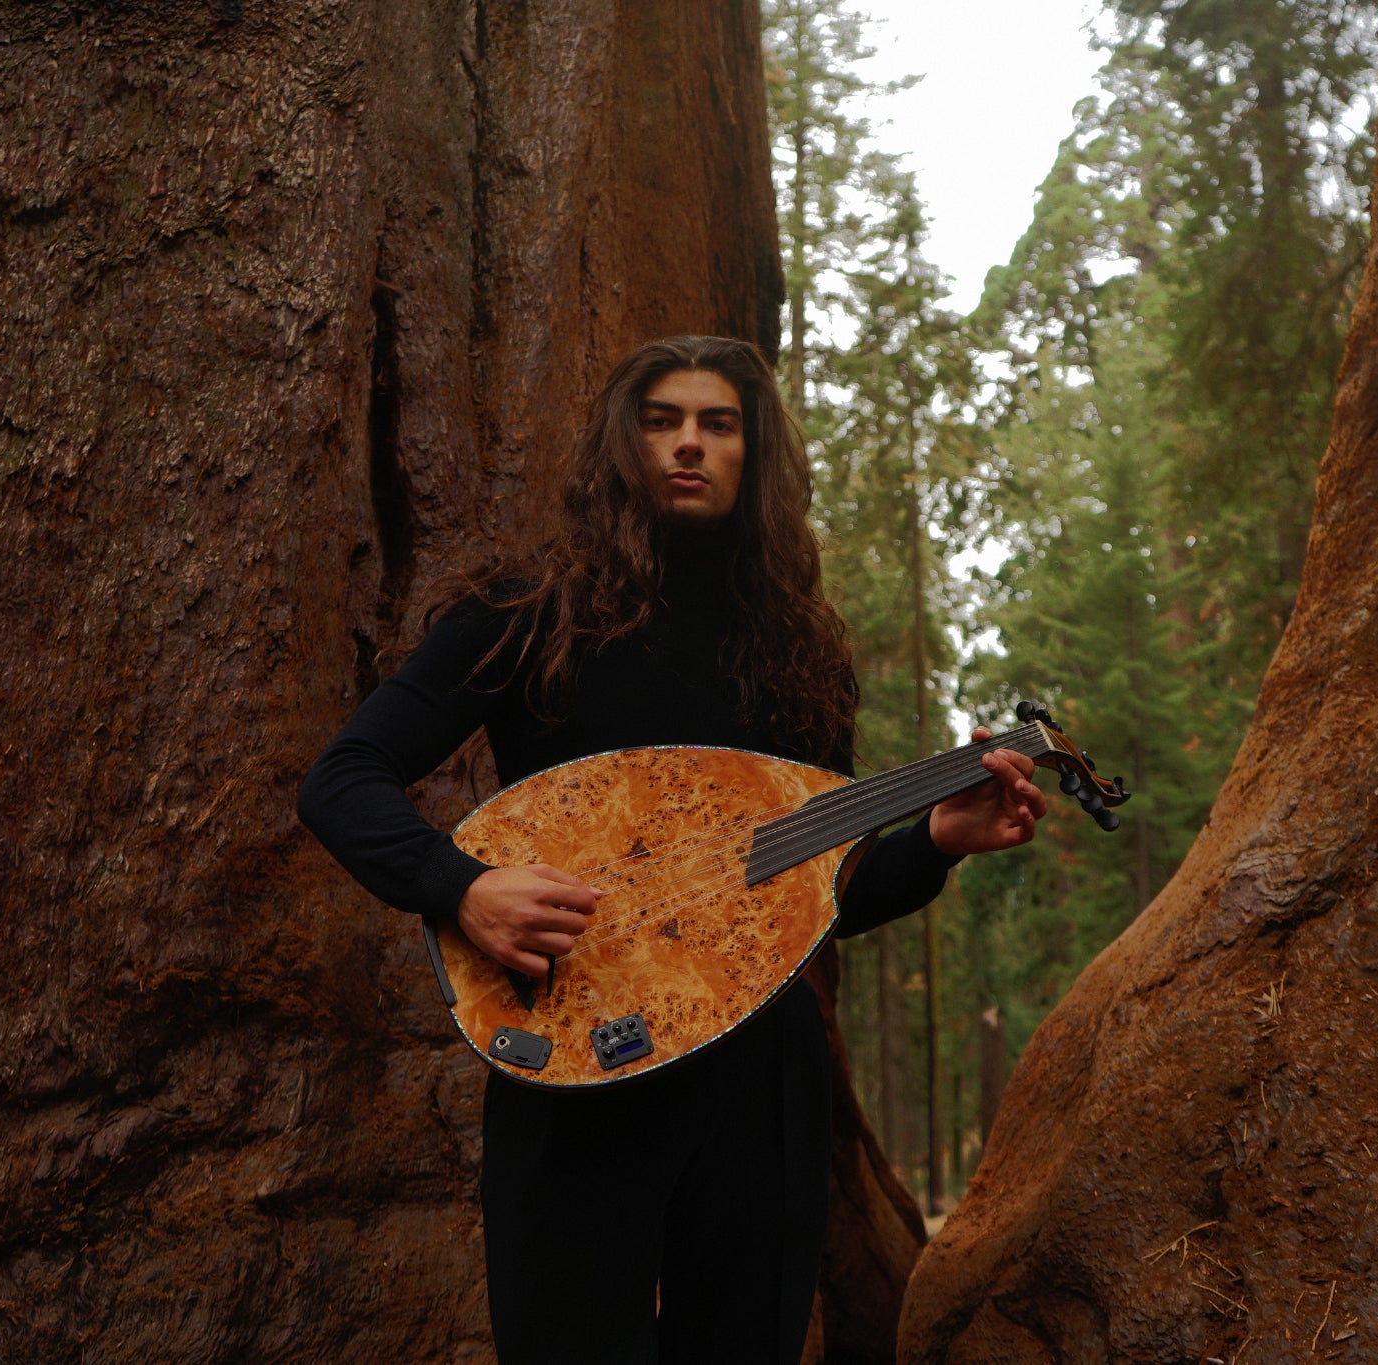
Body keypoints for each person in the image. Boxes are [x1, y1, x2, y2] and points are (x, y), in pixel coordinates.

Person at [297, 335, 1046, 1364]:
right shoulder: (521, 617)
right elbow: (343, 780)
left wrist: (933, 843)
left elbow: (814, 892)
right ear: (620, 445)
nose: (686, 445)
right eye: (660, 421)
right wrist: (459, 888)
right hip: (571, 1061)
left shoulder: (800, 650)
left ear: (753, 455)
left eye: (716, 423)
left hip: (758, 1086)